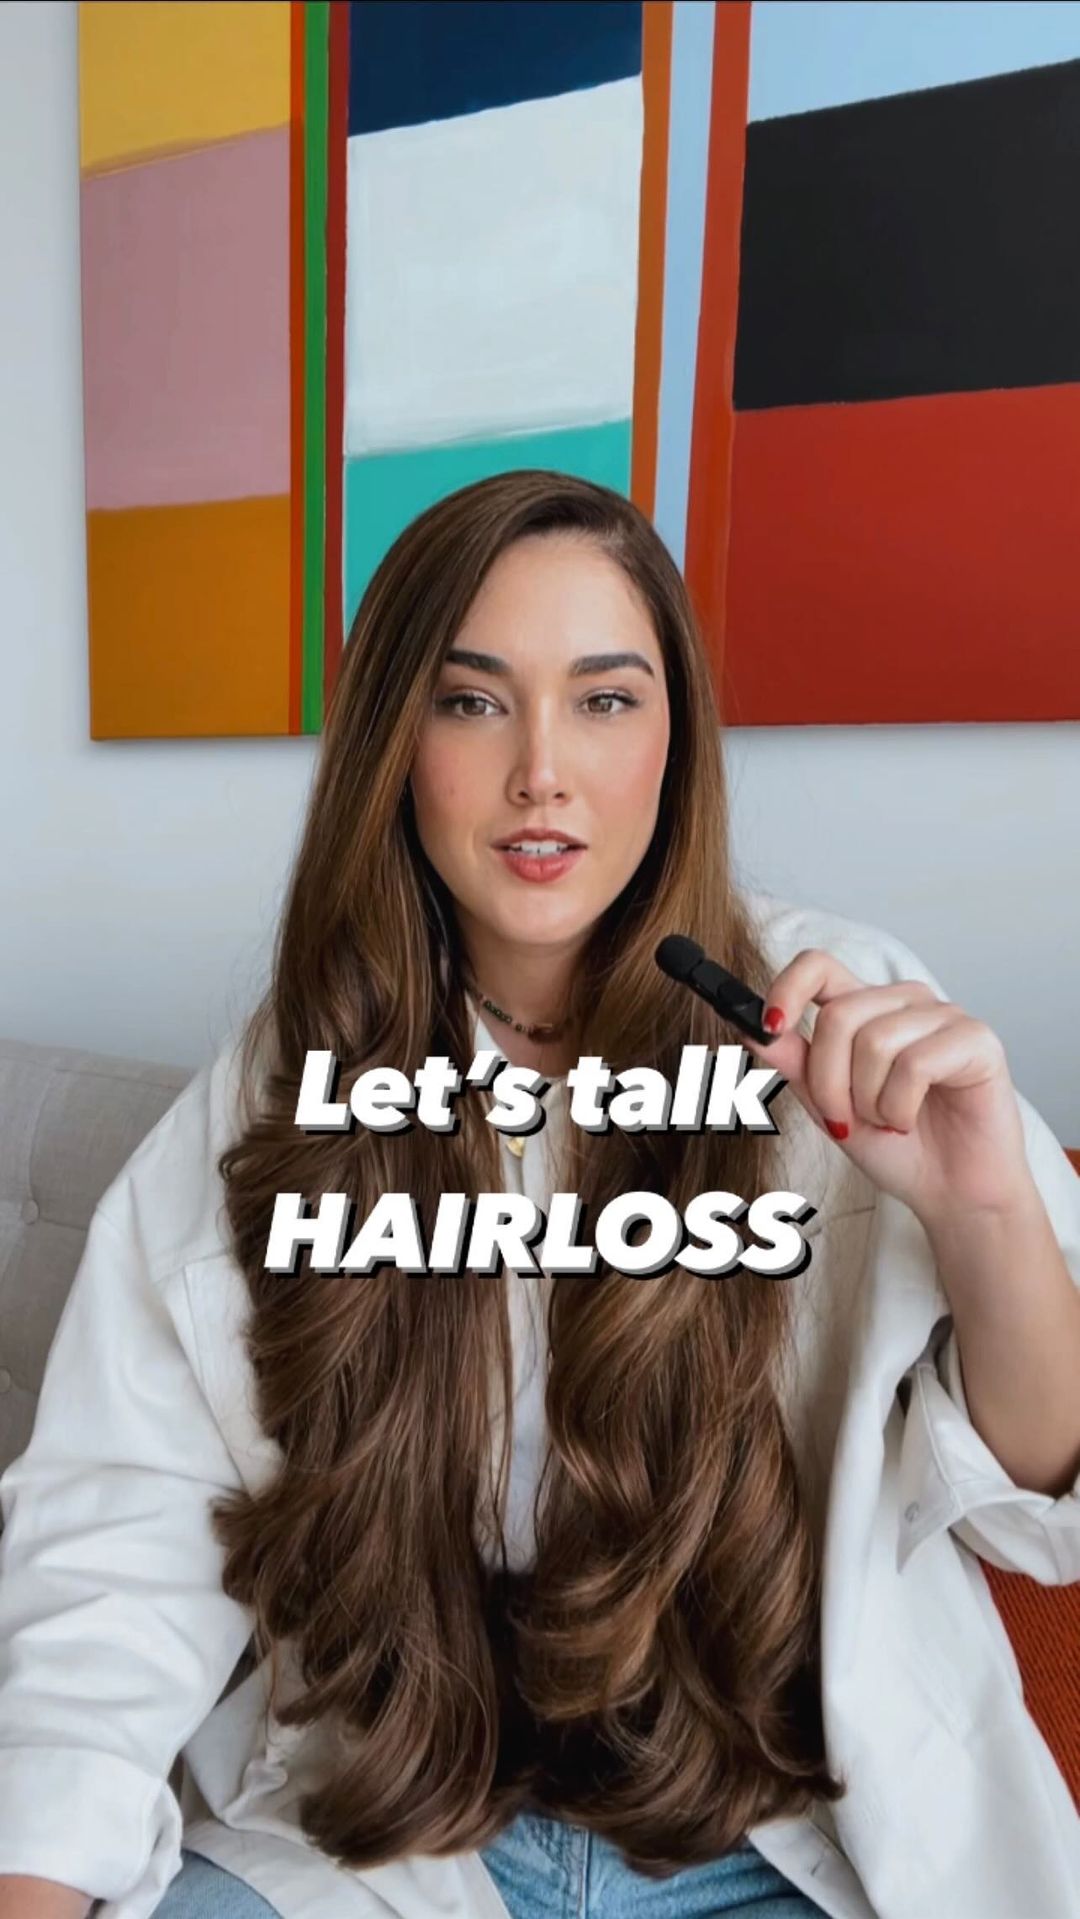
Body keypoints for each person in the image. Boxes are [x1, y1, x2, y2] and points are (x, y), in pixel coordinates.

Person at [0, 470, 1077, 1919]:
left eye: (605, 699)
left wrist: (986, 1209)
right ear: (397, 743)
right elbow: (116, 1539)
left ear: (675, 741)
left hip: (773, 1838)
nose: (542, 774)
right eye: (473, 701)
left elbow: (1040, 1513)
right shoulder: (285, 1085)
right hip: (396, 1837)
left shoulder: (841, 1020)